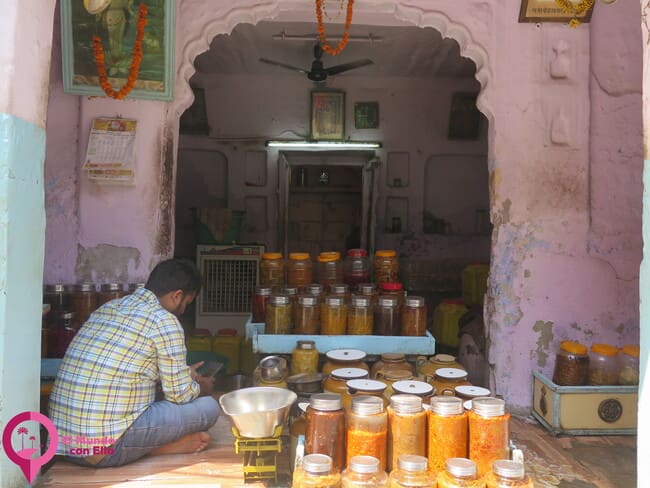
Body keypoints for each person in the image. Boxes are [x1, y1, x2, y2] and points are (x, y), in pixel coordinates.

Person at [49, 258, 219, 468]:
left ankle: (149, 448)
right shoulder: (164, 320)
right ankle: (154, 449)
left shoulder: (109, 308)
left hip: (66, 446)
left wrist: (183, 375)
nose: (184, 310)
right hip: (103, 449)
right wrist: (202, 386)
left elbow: (127, 373)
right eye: (186, 303)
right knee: (209, 407)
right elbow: (180, 395)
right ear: (177, 296)